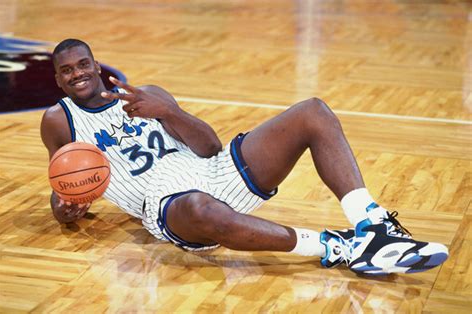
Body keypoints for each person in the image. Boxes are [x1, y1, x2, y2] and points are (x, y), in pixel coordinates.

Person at [41, 38, 448, 276]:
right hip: (168, 206)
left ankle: (372, 224)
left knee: (313, 111)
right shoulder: (59, 121)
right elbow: (63, 195)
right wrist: (65, 208)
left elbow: (210, 147)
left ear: (97, 65)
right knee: (202, 207)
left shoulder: (147, 93)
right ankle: (338, 248)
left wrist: (169, 111)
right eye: (67, 70)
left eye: (83, 64)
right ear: (57, 78)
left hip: (212, 172)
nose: (77, 74)